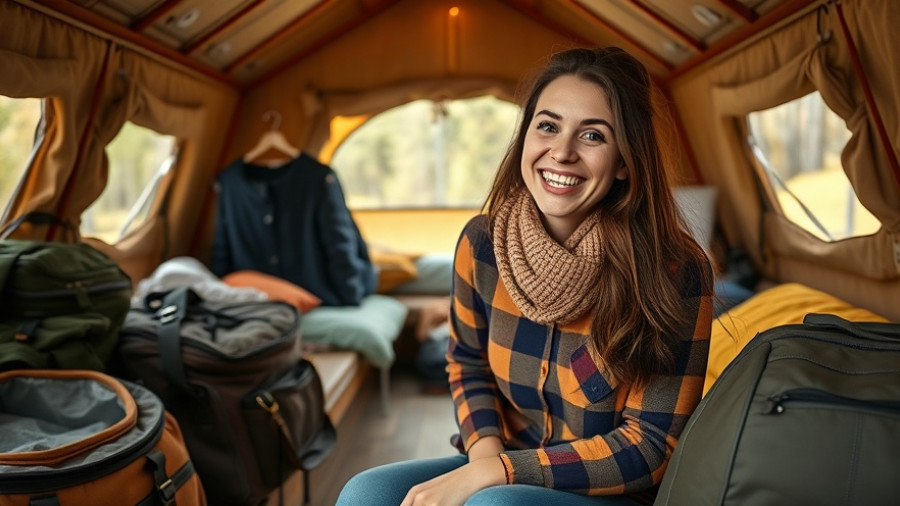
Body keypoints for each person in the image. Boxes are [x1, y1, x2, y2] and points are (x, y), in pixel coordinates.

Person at [336, 46, 713, 506]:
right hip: (504, 462)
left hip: (607, 489)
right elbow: (468, 365)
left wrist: (499, 476)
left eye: (593, 136)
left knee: (494, 505)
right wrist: (485, 463)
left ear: (624, 161)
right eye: (548, 126)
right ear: (526, 137)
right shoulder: (481, 245)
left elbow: (650, 444)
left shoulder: (674, 272)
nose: (562, 152)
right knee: (365, 494)